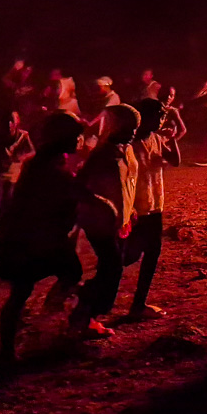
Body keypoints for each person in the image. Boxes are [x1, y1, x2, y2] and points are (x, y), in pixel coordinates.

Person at [0, 112, 88, 358]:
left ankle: (18, 344)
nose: (79, 140)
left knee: (23, 291)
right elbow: (71, 193)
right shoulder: (49, 169)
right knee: (58, 278)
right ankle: (46, 326)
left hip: (31, 237)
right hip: (36, 240)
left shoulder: (44, 162)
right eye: (75, 136)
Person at [69, 103, 141, 337]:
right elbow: (79, 185)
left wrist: (129, 208)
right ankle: (88, 313)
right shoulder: (102, 154)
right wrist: (102, 204)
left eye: (135, 127)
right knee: (112, 268)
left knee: (112, 266)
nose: (132, 132)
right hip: (99, 221)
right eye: (127, 127)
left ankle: (84, 309)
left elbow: (126, 183)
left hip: (119, 219)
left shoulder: (126, 150)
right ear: (114, 126)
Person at [122, 97, 176, 320]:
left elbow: (174, 160)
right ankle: (89, 291)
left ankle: (138, 304)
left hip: (154, 205)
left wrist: (172, 139)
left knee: (151, 252)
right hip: (136, 208)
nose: (161, 121)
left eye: (162, 117)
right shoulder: (129, 144)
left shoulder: (155, 138)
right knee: (128, 255)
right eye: (157, 116)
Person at [0, 110, 35, 233]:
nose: (10, 124)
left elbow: (32, 151)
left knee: (9, 198)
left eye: (12, 121)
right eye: (8, 121)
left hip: (14, 172)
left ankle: (6, 227)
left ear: (17, 123)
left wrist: (21, 157)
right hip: (0, 171)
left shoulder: (23, 136)